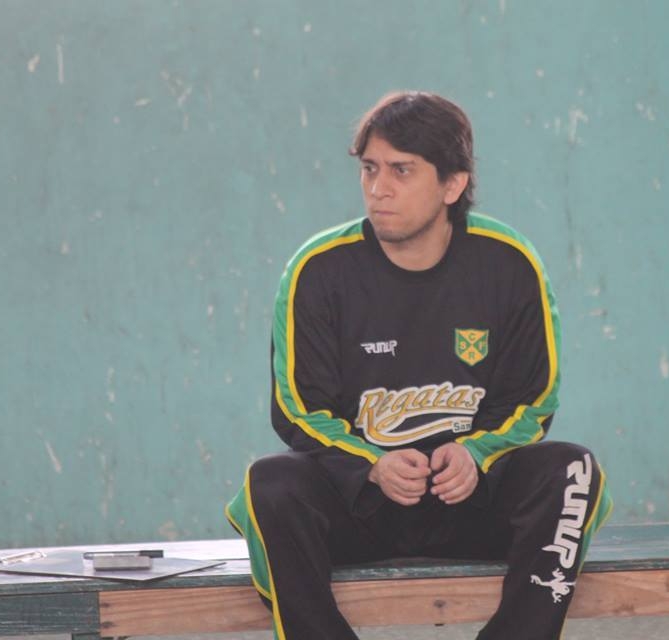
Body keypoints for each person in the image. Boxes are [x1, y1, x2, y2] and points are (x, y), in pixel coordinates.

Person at [225, 90, 613, 640]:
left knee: (573, 470)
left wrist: (475, 454)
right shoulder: (317, 270)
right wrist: (372, 464)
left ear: (452, 184)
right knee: (271, 483)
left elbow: (533, 401)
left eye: (401, 170)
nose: (378, 188)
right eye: (370, 169)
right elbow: (298, 410)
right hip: (363, 507)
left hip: (471, 501)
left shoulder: (510, 263)